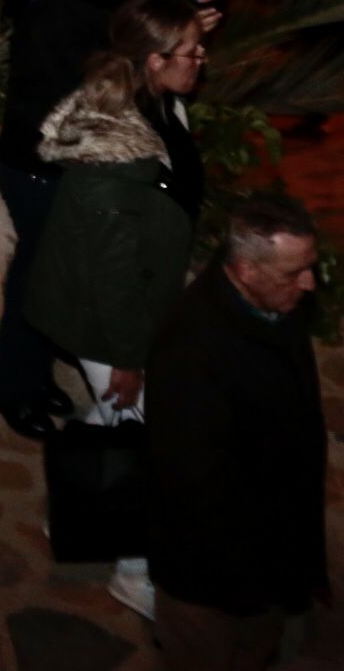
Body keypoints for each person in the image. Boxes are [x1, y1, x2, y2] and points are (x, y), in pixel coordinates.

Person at [0, 0, 230, 438]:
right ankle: (8, 385)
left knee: (53, 276)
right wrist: (161, 54)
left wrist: (188, 4)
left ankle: (31, 374)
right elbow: (97, 78)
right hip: (42, 167)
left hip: (64, 162)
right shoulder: (53, 9)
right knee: (40, 280)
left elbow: (128, 25)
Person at [25, 0, 207, 621]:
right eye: (191, 50)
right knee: (147, 439)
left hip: (125, 301)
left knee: (115, 421)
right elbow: (112, 277)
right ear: (155, 61)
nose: (201, 56)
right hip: (100, 317)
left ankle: (69, 514)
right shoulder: (113, 159)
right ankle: (137, 576)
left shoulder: (156, 100)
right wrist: (128, 358)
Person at [146, 196, 327, 670]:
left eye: (311, 266)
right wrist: (257, 573)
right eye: (293, 273)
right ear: (245, 271)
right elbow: (194, 486)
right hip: (212, 577)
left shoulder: (276, 303)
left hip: (268, 562)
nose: (309, 284)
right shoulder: (191, 349)